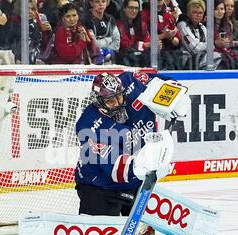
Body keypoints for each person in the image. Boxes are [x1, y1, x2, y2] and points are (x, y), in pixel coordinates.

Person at [75, 71, 177, 217]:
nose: (118, 104)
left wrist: (176, 96)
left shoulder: (130, 82)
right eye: (111, 101)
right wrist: (146, 166)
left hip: (136, 185)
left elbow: (164, 82)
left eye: (119, 97)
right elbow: (117, 169)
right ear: (99, 101)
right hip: (99, 187)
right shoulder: (89, 126)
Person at [116, 0, 156, 67]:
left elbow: (148, 40)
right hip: (125, 59)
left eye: (136, 8)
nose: (134, 11)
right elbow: (124, 45)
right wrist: (143, 45)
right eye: (131, 7)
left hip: (142, 58)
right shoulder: (118, 25)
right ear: (124, 9)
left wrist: (155, 45)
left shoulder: (142, 24)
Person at [81, 0, 121, 64]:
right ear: (91, 3)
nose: (101, 4)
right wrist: (109, 39)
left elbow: (116, 41)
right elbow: (93, 44)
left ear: (107, 3)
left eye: (103, 1)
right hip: (91, 59)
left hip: (109, 57)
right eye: (97, 2)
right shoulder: (85, 19)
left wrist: (108, 51)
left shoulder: (110, 18)